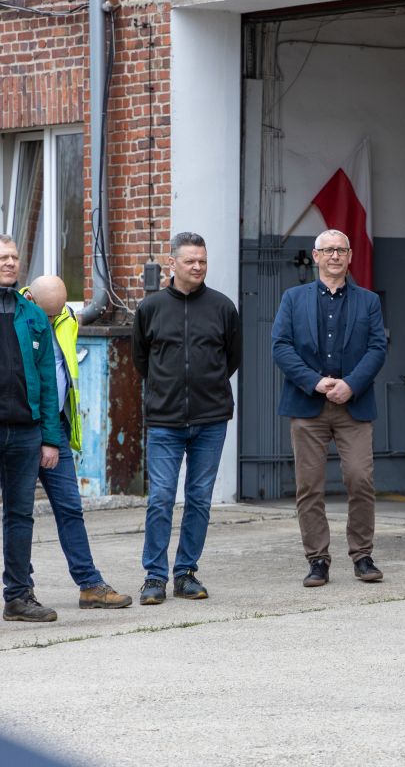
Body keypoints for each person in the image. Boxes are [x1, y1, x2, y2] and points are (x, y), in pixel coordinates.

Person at [272, 229, 388, 588]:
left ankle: (362, 555)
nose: (335, 256)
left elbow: (377, 348)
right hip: (308, 404)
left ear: (350, 256)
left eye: (341, 250)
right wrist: (315, 381)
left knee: (360, 479)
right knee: (309, 486)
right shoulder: (293, 299)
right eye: (328, 250)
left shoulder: (368, 301)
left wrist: (350, 385)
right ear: (316, 256)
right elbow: (281, 346)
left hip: (354, 405)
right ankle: (317, 560)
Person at [133, 232, 240, 605]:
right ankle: (154, 576)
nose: (198, 267)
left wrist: (205, 387)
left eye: (202, 261)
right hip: (165, 420)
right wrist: (168, 389)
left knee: (199, 499)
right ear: (172, 263)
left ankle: (185, 574)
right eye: (190, 260)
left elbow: (232, 358)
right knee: (160, 498)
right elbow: (141, 360)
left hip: (211, 419)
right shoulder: (150, 308)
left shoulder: (223, 307)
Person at [22, 276, 131, 609]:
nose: (53, 320)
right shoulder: (14, 318)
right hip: (20, 430)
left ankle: (90, 585)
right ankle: (21, 589)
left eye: (58, 313)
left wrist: (54, 435)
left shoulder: (66, 318)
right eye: (48, 314)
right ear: (32, 301)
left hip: (55, 428)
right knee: (18, 513)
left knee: (70, 508)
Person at [0, 236, 61, 623]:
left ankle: (19, 597)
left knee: (20, 516)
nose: (10, 263)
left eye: (14, 257)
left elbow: (48, 381)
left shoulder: (33, 315)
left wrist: (50, 438)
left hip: (25, 433)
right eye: (3, 257)